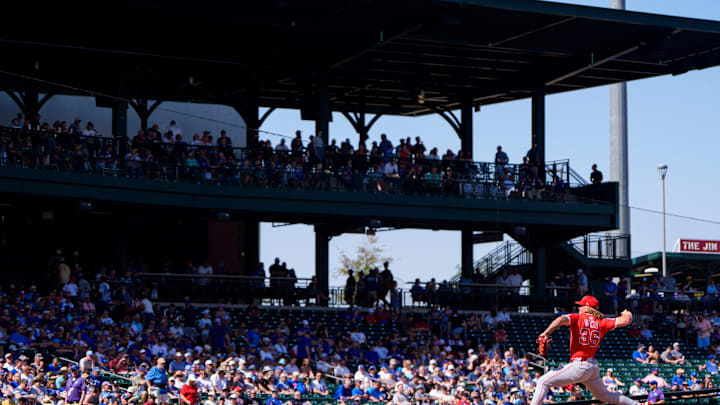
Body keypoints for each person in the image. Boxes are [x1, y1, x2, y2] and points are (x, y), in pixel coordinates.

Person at [529, 295, 638, 405]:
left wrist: (546, 333)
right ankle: (637, 404)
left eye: (581, 306)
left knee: (543, 382)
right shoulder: (602, 322)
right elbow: (627, 319)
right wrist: (626, 312)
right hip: (592, 368)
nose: (579, 308)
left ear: (587, 308)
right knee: (605, 396)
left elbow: (561, 319)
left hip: (579, 365)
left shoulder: (577, 318)